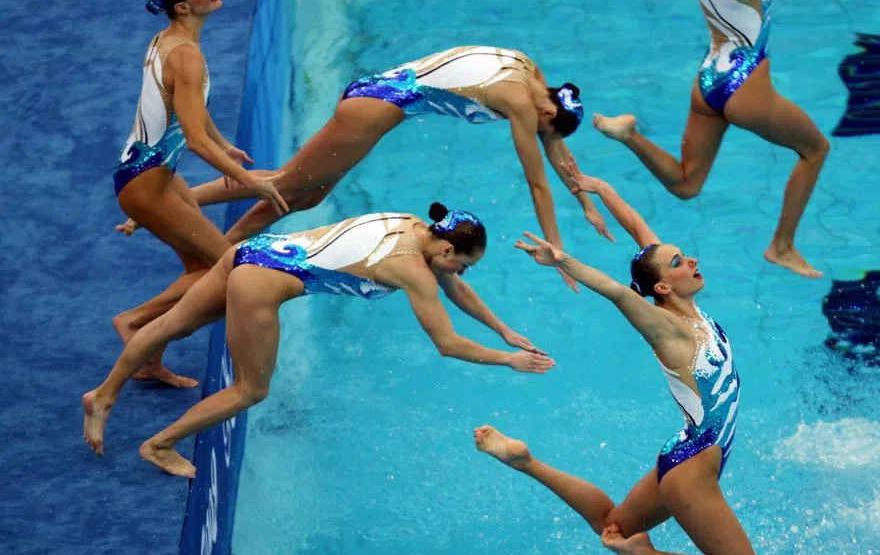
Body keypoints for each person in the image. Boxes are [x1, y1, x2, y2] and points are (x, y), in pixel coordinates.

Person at [84, 203, 553, 477]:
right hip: (259, 284)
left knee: (172, 325)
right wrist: (508, 359)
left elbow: (453, 286)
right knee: (250, 390)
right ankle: (160, 445)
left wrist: (503, 329)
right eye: (464, 264)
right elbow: (446, 344)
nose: (462, 273)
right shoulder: (412, 269)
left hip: (250, 253)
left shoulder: (415, 227)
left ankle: (103, 395)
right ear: (448, 249)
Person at [475, 161, 766, 555]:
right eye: (678, 262)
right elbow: (615, 291)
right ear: (662, 288)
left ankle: (524, 460)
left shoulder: (688, 310)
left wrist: (603, 188)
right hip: (693, 471)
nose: (691, 261)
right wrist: (563, 260)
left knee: (613, 526)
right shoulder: (667, 329)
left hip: (683, 452)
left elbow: (640, 232)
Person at [530, 0, 831, 278]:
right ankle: (782, 246)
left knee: (687, 184)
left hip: (708, 82)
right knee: (816, 150)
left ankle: (629, 135)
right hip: (745, 85)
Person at [140, 45, 615, 290]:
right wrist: (558, 250)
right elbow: (537, 183)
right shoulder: (520, 104)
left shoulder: (532, 76)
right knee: (288, 185)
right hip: (374, 110)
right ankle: (206, 241)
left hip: (374, 101)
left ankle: (205, 232)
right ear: (546, 112)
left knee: (309, 192)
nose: (539, 134)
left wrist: (585, 201)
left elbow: (556, 148)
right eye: (542, 129)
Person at [112, 0, 287, 386]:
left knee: (201, 268)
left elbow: (189, 108)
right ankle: (134, 321)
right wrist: (250, 181)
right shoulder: (186, 56)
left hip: (151, 175)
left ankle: (150, 356)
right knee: (223, 267)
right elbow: (194, 140)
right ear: (183, 7)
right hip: (147, 183)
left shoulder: (169, 40)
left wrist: (223, 142)